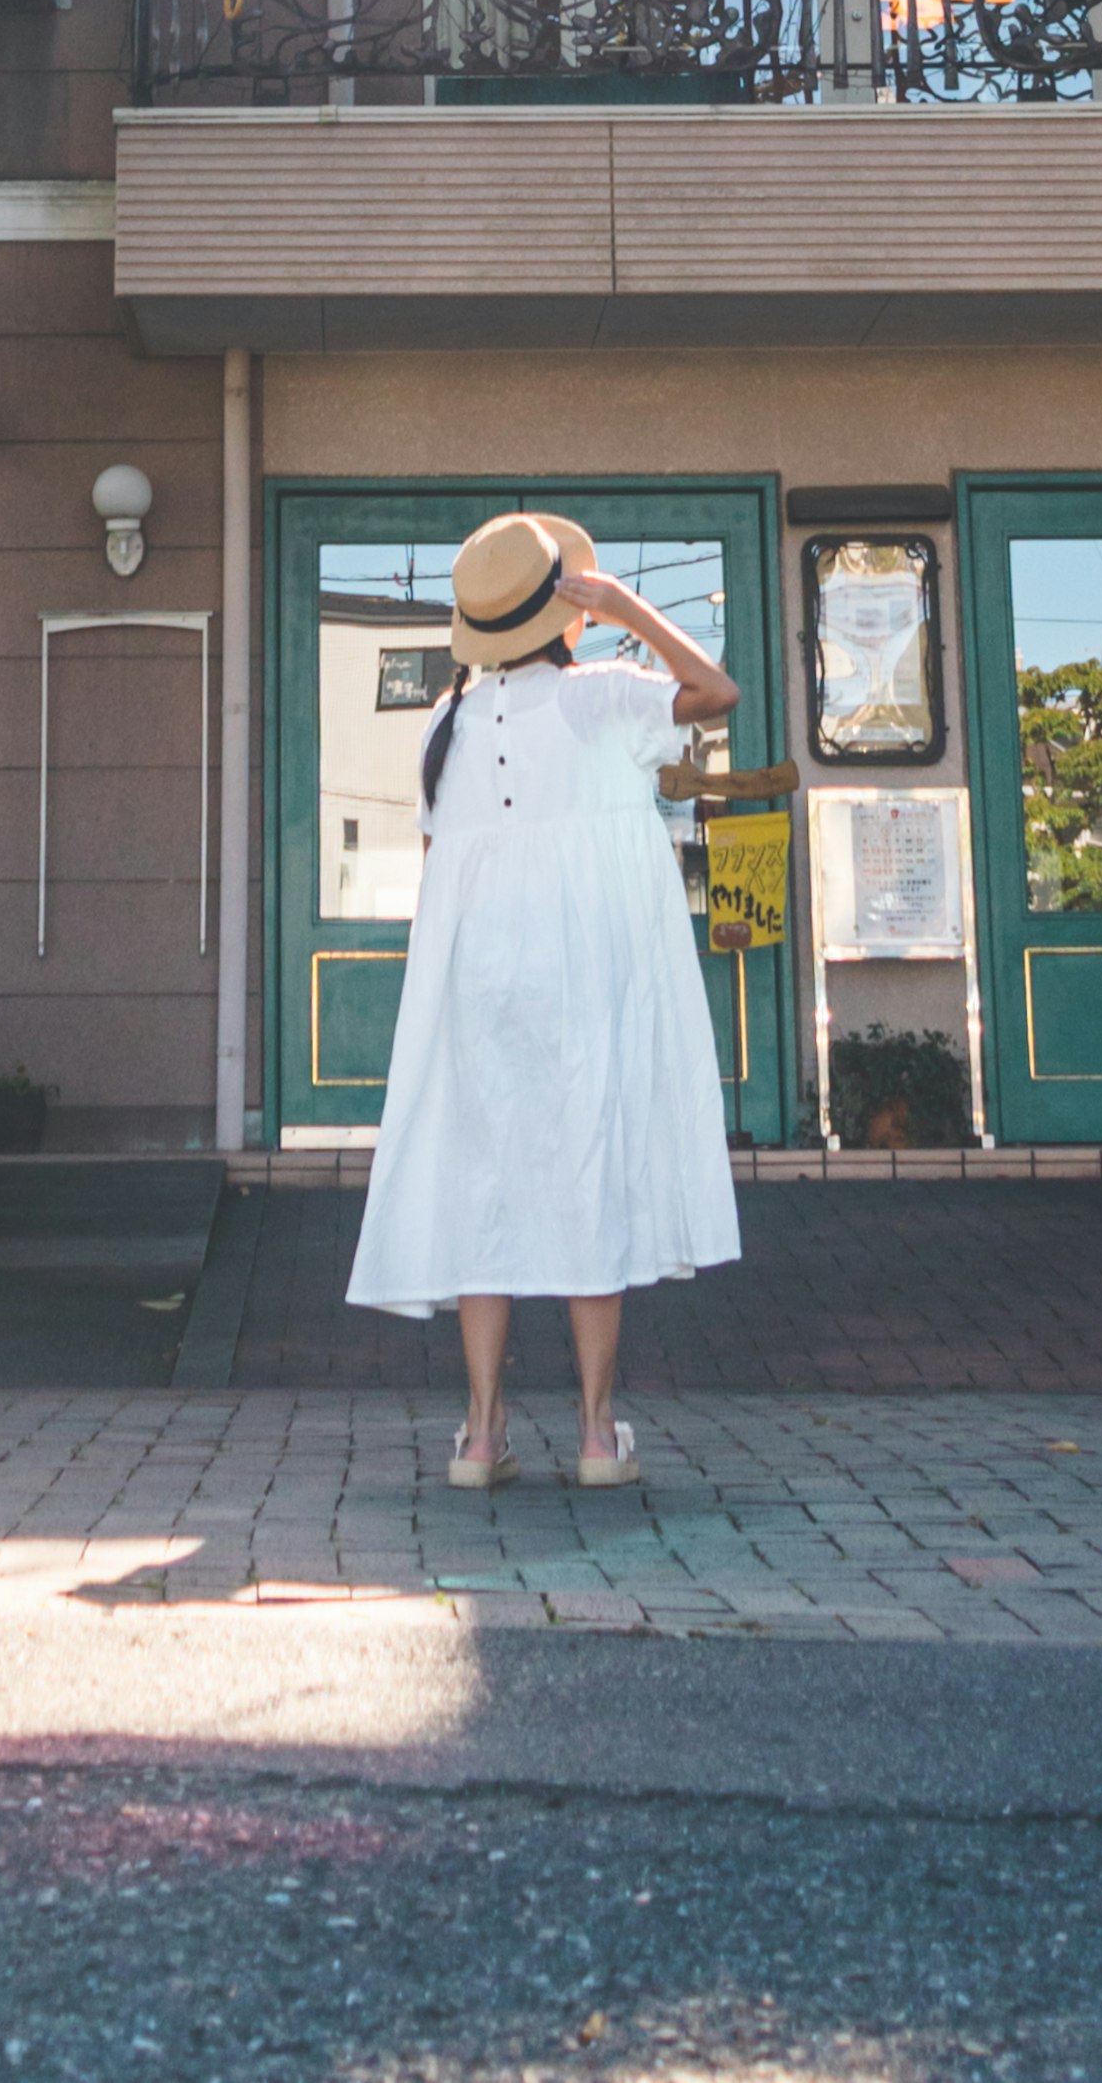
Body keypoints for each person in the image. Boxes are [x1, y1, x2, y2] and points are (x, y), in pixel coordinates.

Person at [345, 508, 743, 1490]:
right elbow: (717, 690)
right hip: (586, 979)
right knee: (587, 1184)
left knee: (484, 1190)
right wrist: (625, 605)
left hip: (483, 981)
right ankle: (600, 1435)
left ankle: (481, 1436)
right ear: (564, 609)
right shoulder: (603, 696)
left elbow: (439, 876)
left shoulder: (446, 724)